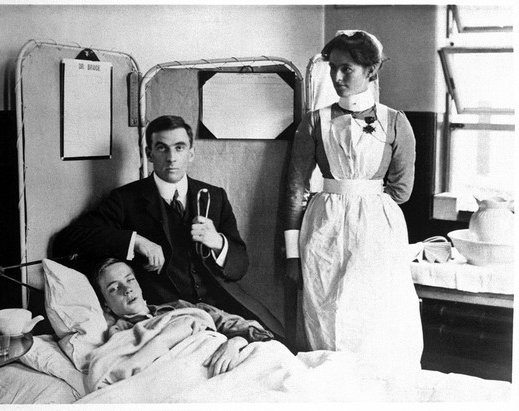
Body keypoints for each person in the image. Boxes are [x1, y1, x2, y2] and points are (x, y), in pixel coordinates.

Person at [53, 115, 282, 338]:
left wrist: (218, 243)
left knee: (277, 345)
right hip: (169, 314)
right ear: (149, 153)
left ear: (191, 153)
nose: (171, 158)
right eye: (162, 148)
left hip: (225, 305)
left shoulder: (214, 196)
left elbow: (240, 267)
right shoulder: (126, 200)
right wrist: (136, 241)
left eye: (179, 148)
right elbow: (68, 240)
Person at [284, 30, 423, 374]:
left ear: (371, 71)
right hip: (323, 229)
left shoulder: (395, 122)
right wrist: (291, 254)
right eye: (333, 69)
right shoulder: (315, 121)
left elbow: (401, 190)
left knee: (375, 317)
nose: (337, 77)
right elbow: (294, 189)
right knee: (326, 314)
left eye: (347, 69)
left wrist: (365, 203)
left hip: (376, 230)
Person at [95, 258, 274, 377]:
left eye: (129, 280)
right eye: (113, 288)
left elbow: (254, 330)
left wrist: (236, 342)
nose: (127, 289)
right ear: (106, 305)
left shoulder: (182, 307)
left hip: (227, 361)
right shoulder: (119, 335)